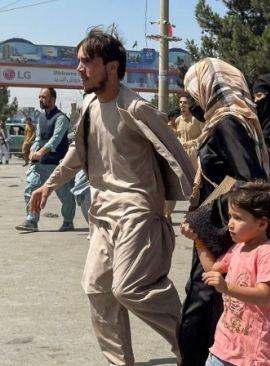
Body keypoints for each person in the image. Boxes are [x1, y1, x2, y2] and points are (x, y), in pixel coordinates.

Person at [29, 29, 195, 365]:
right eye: (79, 61)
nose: (79, 68)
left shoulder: (136, 108)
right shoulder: (89, 106)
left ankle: (193, 344)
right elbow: (79, 151)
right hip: (102, 214)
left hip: (138, 213)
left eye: (88, 61)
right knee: (96, 288)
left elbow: (177, 156)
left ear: (113, 67)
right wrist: (48, 185)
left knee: (129, 288)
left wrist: (198, 206)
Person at [178, 58, 270, 366]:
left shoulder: (228, 122)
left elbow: (251, 182)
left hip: (231, 235)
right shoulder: (245, 119)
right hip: (244, 231)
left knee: (203, 313)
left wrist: (202, 216)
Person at [192, 182, 270, 366]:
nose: (230, 224)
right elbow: (213, 269)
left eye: (237, 218)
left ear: (261, 223)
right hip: (224, 346)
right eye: (230, 217)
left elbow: (263, 294)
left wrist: (226, 287)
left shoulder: (267, 253)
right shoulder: (238, 248)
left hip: (257, 352)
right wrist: (198, 241)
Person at [16, 87, 76, 232]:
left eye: (43, 97)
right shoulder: (41, 118)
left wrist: (41, 152)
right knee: (30, 189)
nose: (40, 99)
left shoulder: (61, 118)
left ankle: (68, 221)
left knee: (66, 196)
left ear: (52, 99)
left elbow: (55, 139)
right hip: (40, 165)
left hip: (57, 165)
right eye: (39, 97)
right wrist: (32, 151)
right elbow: (38, 138)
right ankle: (32, 219)